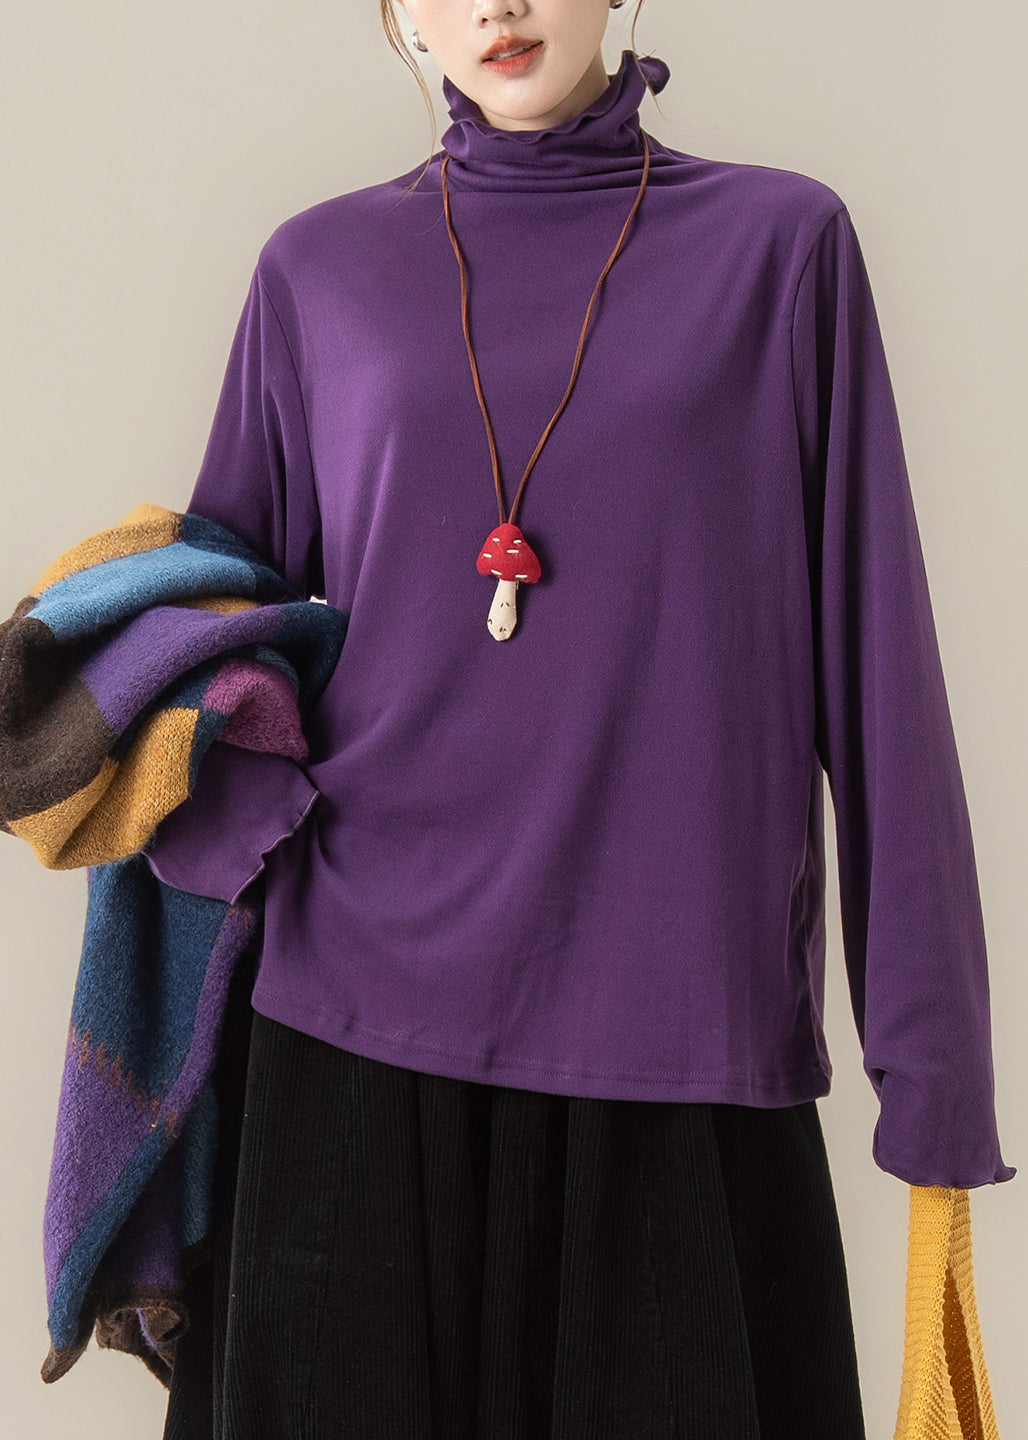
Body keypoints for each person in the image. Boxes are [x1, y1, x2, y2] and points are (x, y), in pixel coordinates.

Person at [140, 1, 1014, 1436]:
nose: (495, 5)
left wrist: (936, 1085)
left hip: (680, 1052)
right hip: (352, 1047)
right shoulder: (318, 270)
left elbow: (882, 682)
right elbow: (216, 644)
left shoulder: (780, 251)